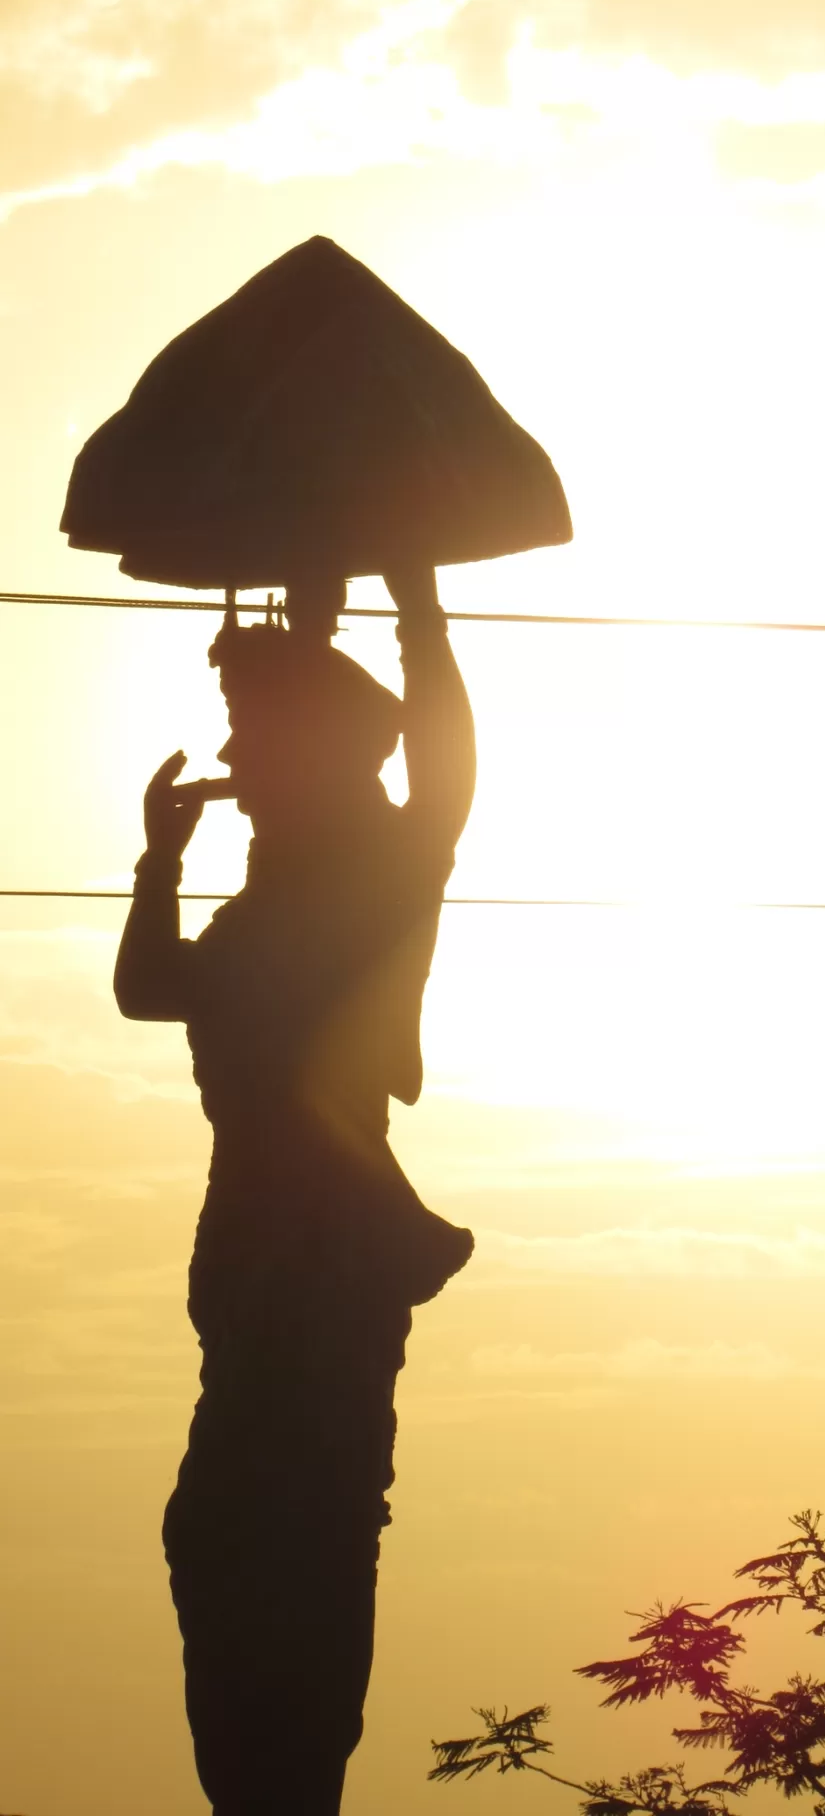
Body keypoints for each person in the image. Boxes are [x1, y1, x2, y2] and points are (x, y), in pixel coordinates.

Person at [114, 565, 476, 1816]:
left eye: (253, 736)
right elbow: (149, 990)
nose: (230, 755)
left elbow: (445, 766)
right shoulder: (268, 896)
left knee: (299, 1539)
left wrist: (417, 603)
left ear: (311, 755)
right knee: (220, 1539)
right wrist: (161, 861)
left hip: (325, 1259)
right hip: (259, 1256)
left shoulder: (376, 872)